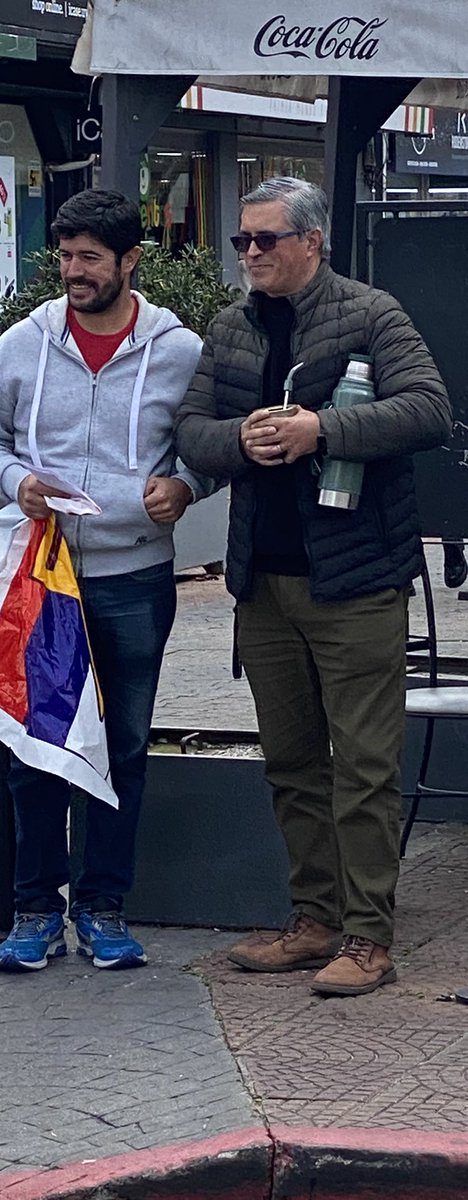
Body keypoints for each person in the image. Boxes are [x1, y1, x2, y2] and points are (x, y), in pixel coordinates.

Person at [175, 177, 451, 997]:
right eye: (242, 242)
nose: (251, 254)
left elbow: (430, 411)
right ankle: (314, 920)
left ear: (313, 241)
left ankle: (370, 937)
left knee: (363, 766)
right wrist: (246, 438)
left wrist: (321, 428)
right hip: (266, 580)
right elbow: (191, 431)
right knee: (291, 762)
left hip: (357, 581)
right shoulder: (229, 329)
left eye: (266, 240)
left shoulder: (371, 313)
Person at [0, 188, 212, 972]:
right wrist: (16, 483)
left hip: (135, 576)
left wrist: (189, 485)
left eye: (89, 259)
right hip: (44, 577)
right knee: (35, 746)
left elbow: (206, 442)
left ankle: (104, 907)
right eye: (65, 257)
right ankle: (34, 910)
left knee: (124, 747)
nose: (74, 271)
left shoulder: (179, 349)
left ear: (130, 262)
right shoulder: (23, 343)